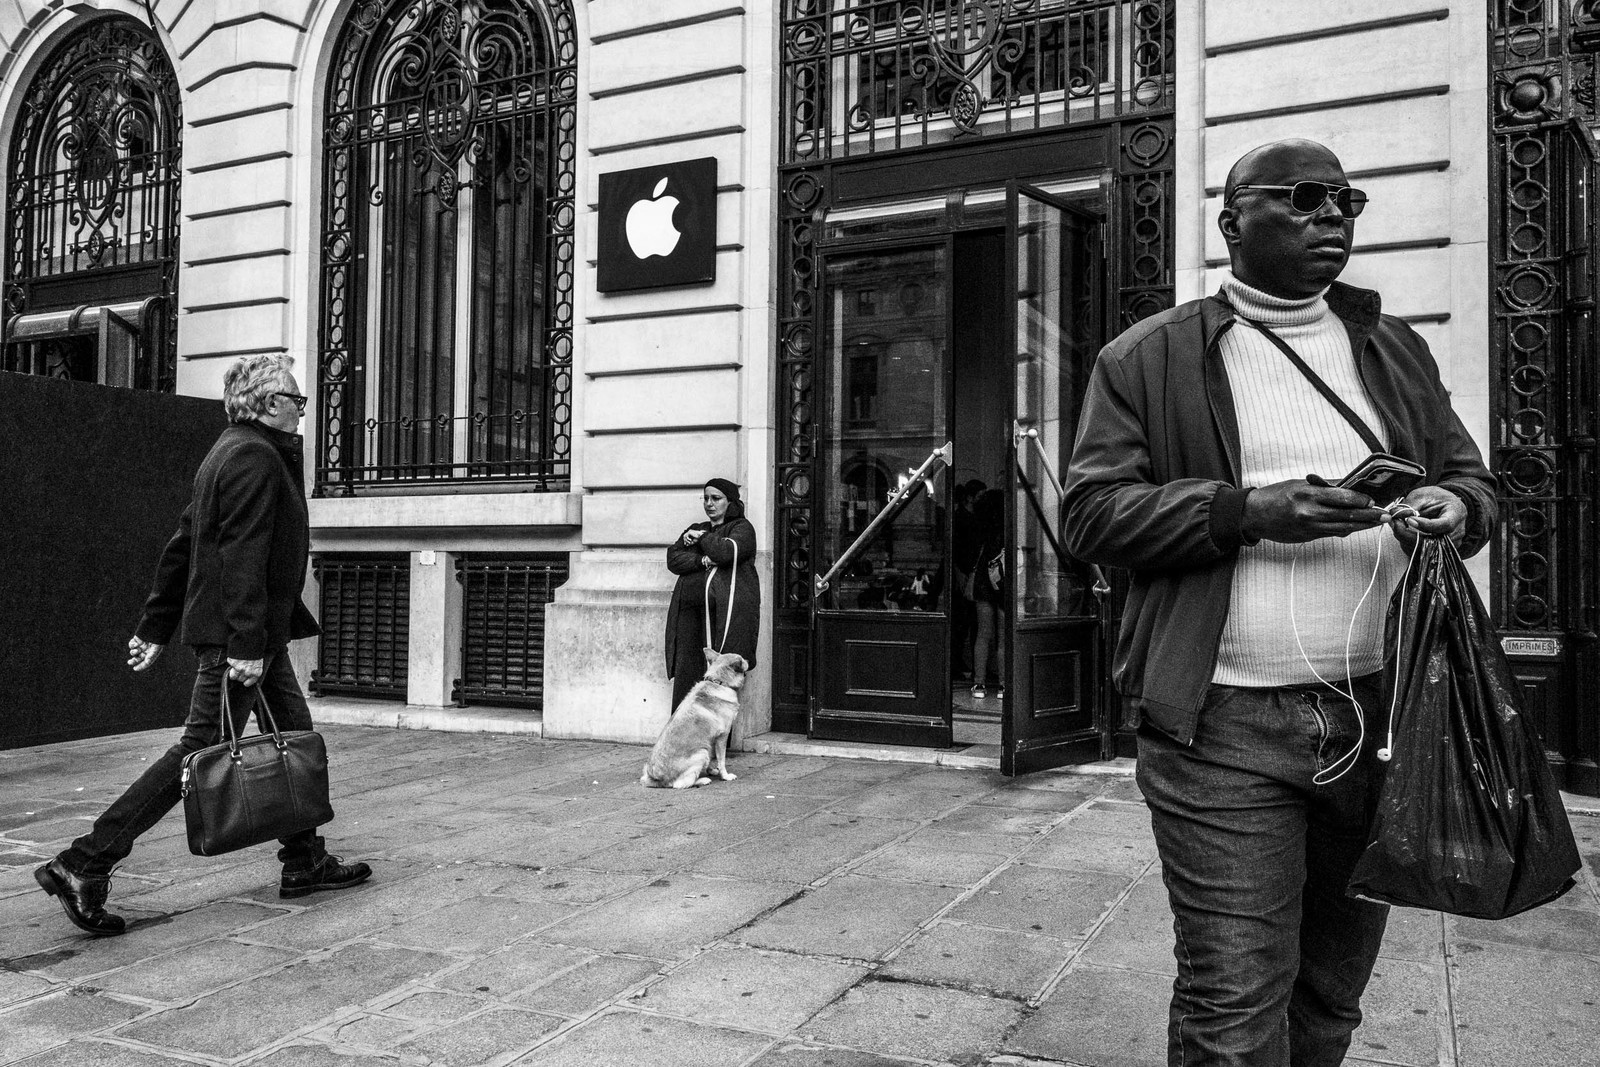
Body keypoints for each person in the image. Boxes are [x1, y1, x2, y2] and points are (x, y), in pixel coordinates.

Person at [1062, 139, 1495, 1066]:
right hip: (1219, 723)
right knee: (1232, 1004)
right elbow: (1091, 514)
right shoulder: (1149, 356)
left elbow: (1473, 480)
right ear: (1232, 222)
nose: (1331, 215)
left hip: (1378, 714)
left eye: (1346, 198)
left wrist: (1452, 505)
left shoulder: (1392, 346)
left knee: (1331, 994)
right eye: (1302, 198)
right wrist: (1245, 511)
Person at [35, 355, 372, 937]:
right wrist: (243, 644)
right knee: (200, 751)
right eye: (298, 399)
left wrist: (155, 626)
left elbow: (184, 542)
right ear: (270, 404)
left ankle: (303, 857)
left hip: (260, 635)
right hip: (242, 639)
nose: (302, 409)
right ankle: (84, 861)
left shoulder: (232, 451)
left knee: (293, 736)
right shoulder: (252, 457)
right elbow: (240, 556)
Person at [665, 478, 761, 712]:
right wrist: (702, 559)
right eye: (706, 498)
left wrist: (701, 539)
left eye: (716, 498)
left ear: (730, 502)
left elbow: (726, 552)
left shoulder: (742, 528)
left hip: (721, 619)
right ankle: (685, 737)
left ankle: (712, 744)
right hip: (690, 618)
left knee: (718, 682)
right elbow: (674, 559)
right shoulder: (699, 527)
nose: (709, 503)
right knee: (687, 674)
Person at [966, 488, 1007, 700]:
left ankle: (979, 684)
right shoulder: (1008, 525)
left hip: (983, 579)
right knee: (1003, 637)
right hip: (1003, 581)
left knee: (983, 634)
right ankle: (1003, 685)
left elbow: (971, 554)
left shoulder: (979, 527)